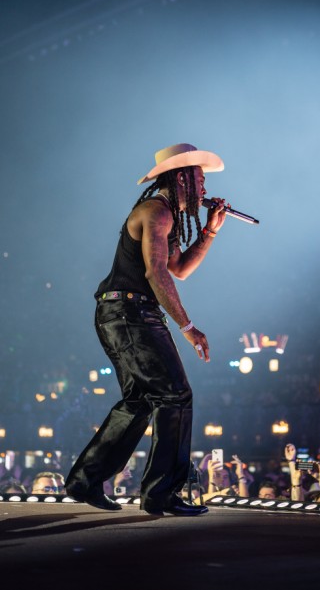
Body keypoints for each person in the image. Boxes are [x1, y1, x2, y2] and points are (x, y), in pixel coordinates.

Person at [65, 143, 227, 516]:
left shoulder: (165, 215)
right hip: (129, 312)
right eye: (199, 180)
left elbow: (180, 269)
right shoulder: (155, 211)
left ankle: (85, 480)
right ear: (182, 177)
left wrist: (210, 232)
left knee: (139, 402)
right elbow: (156, 274)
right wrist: (188, 327)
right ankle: (161, 494)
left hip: (123, 312)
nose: (203, 189)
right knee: (175, 396)